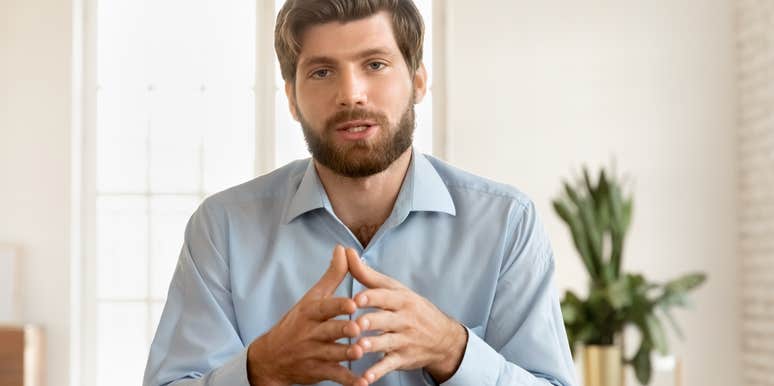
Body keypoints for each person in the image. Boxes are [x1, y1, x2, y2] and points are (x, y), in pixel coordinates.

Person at [143, 1, 577, 385]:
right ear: (292, 98)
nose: (351, 94)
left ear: (419, 81)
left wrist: (452, 350)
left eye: (375, 64)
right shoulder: (222, 229)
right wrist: (260, 371)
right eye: (322, 71)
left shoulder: (506, 224)